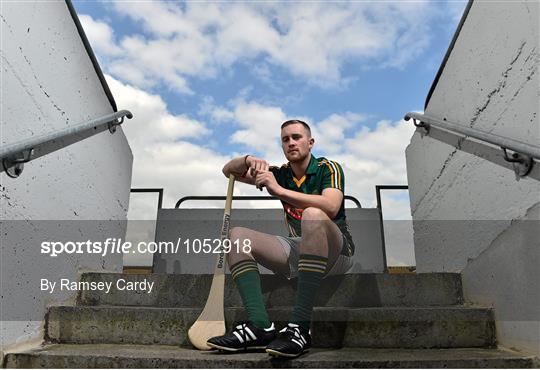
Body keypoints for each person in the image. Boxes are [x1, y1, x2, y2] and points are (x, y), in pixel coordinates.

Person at [207, 119, 355, 358]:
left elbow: (331, 205)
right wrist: (246, 160)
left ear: (310, 142)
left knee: (313, 215)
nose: (291, 143)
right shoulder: (281, 173)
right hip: (301, 249)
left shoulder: (329, 168)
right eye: (285, 139)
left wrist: (278, 191)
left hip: (337, 252)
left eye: (296, 137)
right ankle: (260, 328)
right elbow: (228, 171)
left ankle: (300, 327)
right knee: (237, 236)